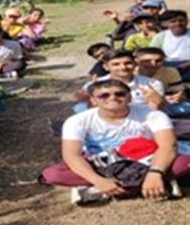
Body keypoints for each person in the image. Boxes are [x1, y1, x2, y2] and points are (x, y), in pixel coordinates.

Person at [40, 80, 190, 203]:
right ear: (93, 100)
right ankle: (158, 185)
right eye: (104, 95)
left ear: (129, 97)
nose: (112, 98)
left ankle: (97, 191)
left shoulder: (153, 115)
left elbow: (168, 146)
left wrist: (155, 173)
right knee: (53, 174)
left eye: (120, 94)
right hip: (102, 165)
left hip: (146, 161)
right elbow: (72, 155)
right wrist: (99, 180)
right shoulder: (77, 121)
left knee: (185, 163)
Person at [76, 51, 165, 111]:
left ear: (135, 64)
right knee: (79, 108)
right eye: (116, 64)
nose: (123, 67)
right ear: (106, 67)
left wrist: (157, 102)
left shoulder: (152, 84)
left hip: (141, 121)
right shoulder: (94, 85)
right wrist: (88, 101)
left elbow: (155, 113)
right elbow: (93, 113)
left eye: (128, 63)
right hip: (107, 122)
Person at [135, 47, 190, 117]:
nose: (153, 64)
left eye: (158, 61)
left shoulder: (170, 72)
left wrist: (179, 97)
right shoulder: (129, 72)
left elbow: (179, 93)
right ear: (136, 61)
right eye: (147, 61)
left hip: (164, 103)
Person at [150, 11, 190, 81]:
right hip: (167, 65)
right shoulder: (160, 37)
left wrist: (186, 64)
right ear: (166, 24)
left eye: (181, 20)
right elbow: (152, 54)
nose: (178, 23)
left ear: (187, 21)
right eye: (173, 21)